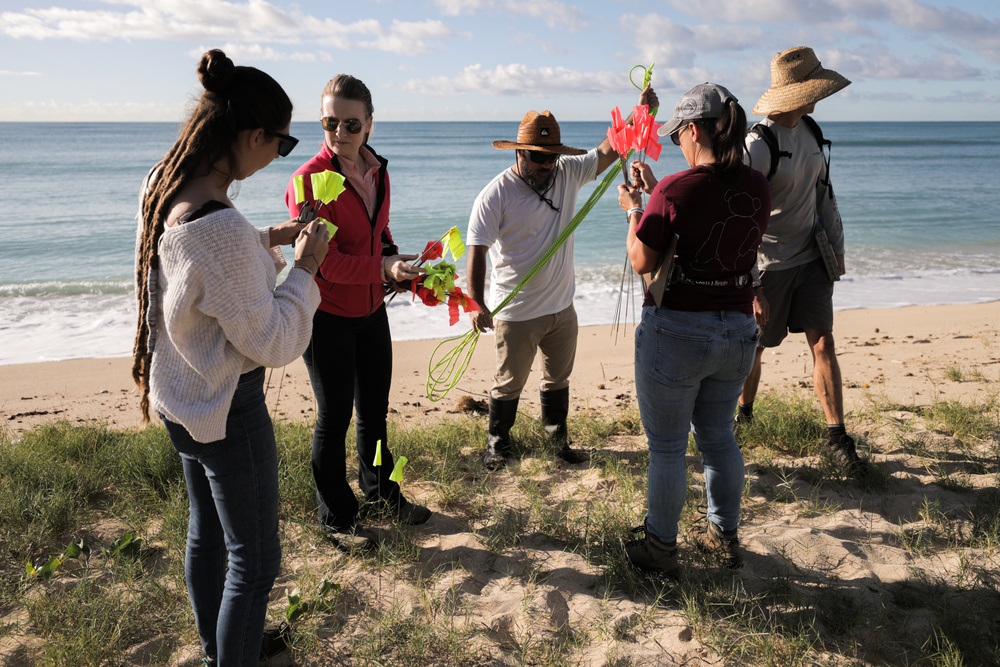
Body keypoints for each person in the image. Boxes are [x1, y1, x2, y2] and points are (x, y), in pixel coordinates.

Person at [133, 49, 327, 666]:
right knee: (256, 558)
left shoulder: (166, 186)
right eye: (282, 143)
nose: (279, 156)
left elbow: (201, 275)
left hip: (180, 394)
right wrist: (307, 269)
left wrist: (266, 238)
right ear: (252, 135)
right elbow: (273, 341)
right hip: (226, 407)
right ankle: (233, 655)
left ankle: (220, 646)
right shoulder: (216, 229)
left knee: (207, 534)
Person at [616, 83, 770, 577]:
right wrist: (659, 191)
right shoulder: (757, 186)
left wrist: (635, 209)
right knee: (719, 438)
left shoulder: (675, 190)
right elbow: (711, 217)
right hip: (737, 331)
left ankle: (661, 546)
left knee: (666, 447)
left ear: (696, 129)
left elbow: (643, 258)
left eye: (680, 131)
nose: (678, 139)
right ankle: (723, 535)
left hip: (678, 332)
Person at [466, 86, 656, 471]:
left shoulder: (567, 171)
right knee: (509, 383)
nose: (546, 165)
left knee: (557, 379)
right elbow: (477, 251)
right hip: (517, 313)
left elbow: (608, 150)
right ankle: (498, 444)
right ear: (519, 153)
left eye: (551, 157)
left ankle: (557, 442)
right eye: (538, 158)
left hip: (562, 308)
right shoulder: (495, 195)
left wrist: (640, 113)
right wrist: (476, 302)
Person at [285, 74, 431, 550]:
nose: (340, 133)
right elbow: (323, 264)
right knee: (334, 418)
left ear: (369, 124)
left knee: (374, 413)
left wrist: (400, 265)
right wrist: (384, 267)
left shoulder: (377, 170)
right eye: (331, 122)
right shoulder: (307, 181)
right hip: (325, 316)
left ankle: (383, 494)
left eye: (351, 123)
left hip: (371, 310)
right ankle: (336, 518)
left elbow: (377, 235)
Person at [735, 46, 866, 472]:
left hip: (811, 257)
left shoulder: (810, 130)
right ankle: (744, 416)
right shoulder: (757, 145)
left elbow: (823, 193)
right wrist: (752, 284)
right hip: (769, 265)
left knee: (824, 342)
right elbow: (738, 221)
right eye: (815, 88)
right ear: (799, 92)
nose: (819, 96)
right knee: (755, 349)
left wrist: (838, 247)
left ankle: (836, 437)